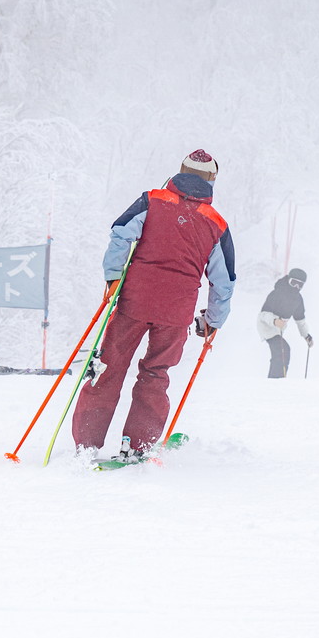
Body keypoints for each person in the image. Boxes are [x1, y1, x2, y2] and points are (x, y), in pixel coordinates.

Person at [71, 149, 236, 460]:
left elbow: (121, 234)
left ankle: (86, 445)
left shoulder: (152, 200)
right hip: (176, 313)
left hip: (134, 301)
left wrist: (113, 277)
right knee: (156, 374)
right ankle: (137, 447)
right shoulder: (217, 224)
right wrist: (213, 320)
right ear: (213, 180)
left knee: (108, 368)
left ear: (180, 171)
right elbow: (224, 281)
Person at [257, 268, 313, 378]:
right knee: (282, 349)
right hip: (266, 326)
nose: (296, 287)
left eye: (300, 285)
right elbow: (263, 315)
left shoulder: (297, 299)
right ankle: (275, 380)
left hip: (278, 328)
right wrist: (274, 321)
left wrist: (306, 336)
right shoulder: (277, 293)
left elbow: (300, 320)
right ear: (288, 280)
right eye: (294, 283)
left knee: (283, 350)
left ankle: (277, 379)